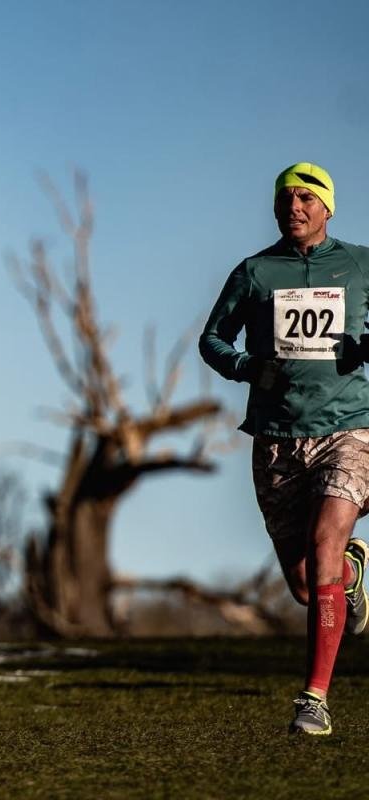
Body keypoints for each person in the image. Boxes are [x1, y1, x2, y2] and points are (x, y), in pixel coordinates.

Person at [200, 162, 369, 735]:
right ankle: (349, 574)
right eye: (284, 199)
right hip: (276, 439)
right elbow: (212, 340)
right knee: (305, 583)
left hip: (351, 429)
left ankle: (314, 699)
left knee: (323, 544)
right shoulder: (254, 272)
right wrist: (249, 367)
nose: (293, 207)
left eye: (305, 198)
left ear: (327, 207)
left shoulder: (361, 264)